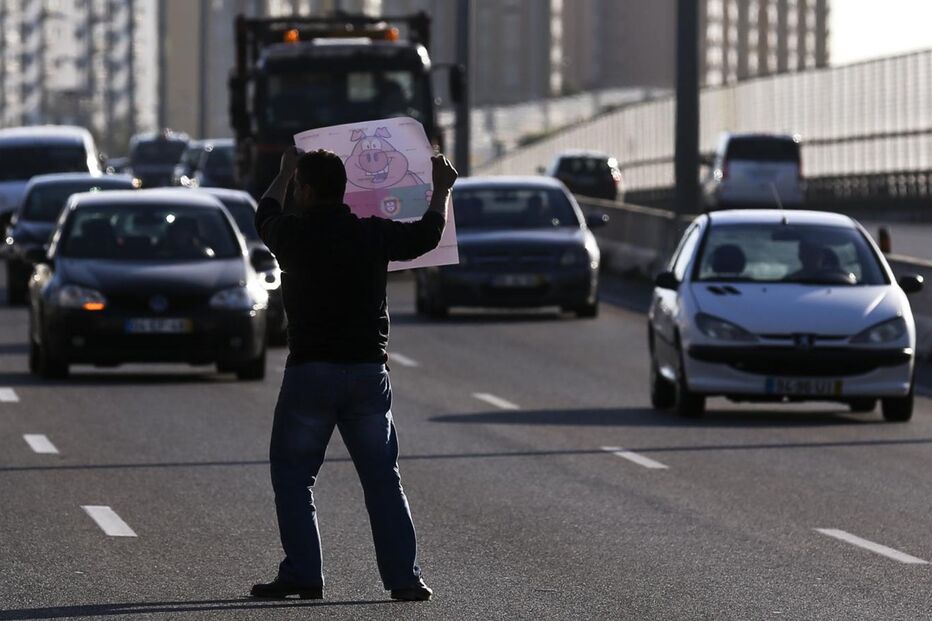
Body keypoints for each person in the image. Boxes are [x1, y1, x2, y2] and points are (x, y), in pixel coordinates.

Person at [250, 146, 457, 602]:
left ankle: (303, 572)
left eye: (298, 184)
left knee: (293, 475)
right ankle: (404, 578)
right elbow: (426, 235)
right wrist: (441, 188)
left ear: (303, 190)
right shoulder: (372, 235)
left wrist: (281, 172)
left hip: (311, 373)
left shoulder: (292, 233)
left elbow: (262, 214)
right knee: (383, 479)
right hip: (366, 373)